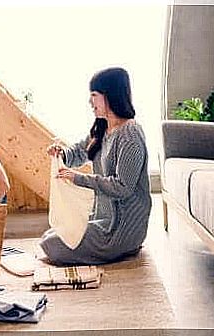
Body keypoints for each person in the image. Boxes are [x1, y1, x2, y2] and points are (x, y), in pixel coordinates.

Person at [40, 67, 152, 265]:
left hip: (122, 227)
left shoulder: (130, 135)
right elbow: (81, 151)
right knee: (52, 235)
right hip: (104, 218)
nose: (90, 102)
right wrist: (61, 154)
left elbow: (123, 187)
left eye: (94, 95)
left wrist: (78, 178)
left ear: (110, 95)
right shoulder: (103, 126)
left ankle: (127, 247)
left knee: (54, 245)